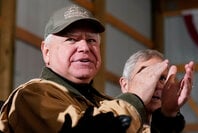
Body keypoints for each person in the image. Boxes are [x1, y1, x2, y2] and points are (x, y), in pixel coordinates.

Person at [0, 4, 172, 133]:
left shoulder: (105, 103)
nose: (84, 47)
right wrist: (135, 98)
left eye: (91, 40)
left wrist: (167, 115)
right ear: (46, 51)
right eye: (71, 39)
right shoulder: (32, 96)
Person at [119, 49, 194, 133]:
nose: (158, 85)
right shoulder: (104, 114)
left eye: (162, 78)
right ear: (125, 85)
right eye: (147, 76)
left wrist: (168, 114)